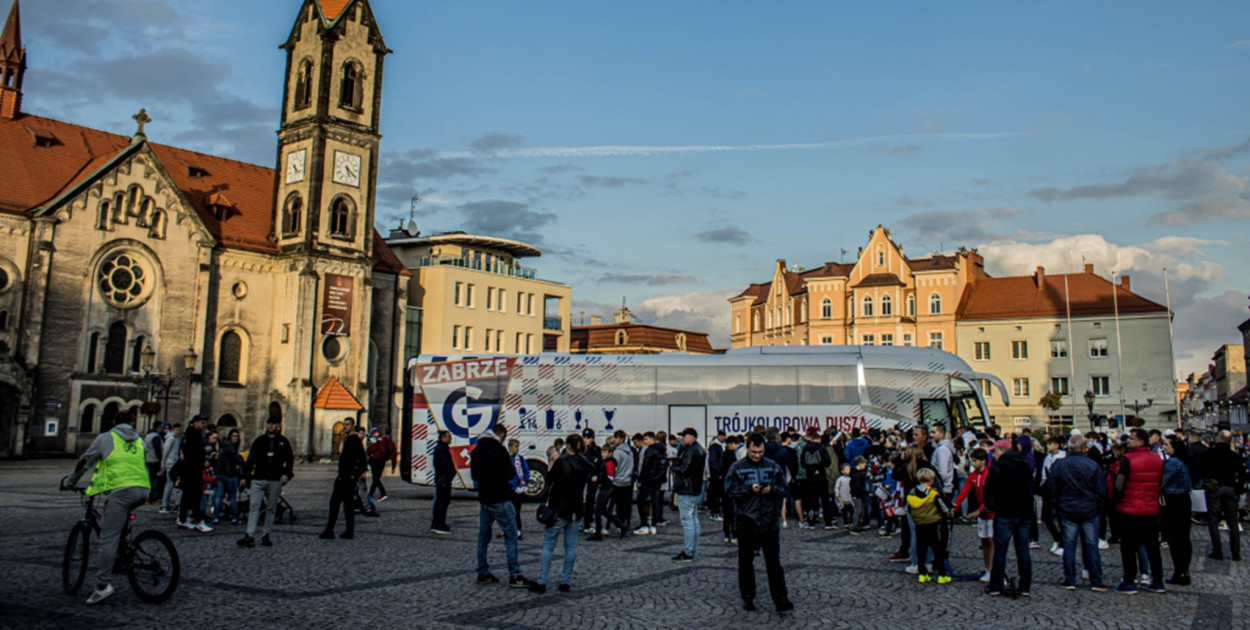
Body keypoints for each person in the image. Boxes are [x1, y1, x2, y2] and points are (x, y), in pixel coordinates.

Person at [61, 411, 150, 605]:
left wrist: (71, 481)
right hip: (143, 489)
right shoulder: (139, 441)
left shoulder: (105, 438)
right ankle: (124, 550)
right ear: (133, 423)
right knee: (120, 527)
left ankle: (102, 586)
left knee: (108, 536)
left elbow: (85, 461)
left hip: (122, 491)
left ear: (112, 422)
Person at [724, 433, 794, 615]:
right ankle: (748, 597)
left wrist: (771, 490)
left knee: (774, 563)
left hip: (769, 522)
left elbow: (784, 489)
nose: (757, 455)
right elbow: (729, 491)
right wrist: (749, 489)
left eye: (760, 452)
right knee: (746, 562)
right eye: (754, 452)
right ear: (747, 448)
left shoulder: (772, 466)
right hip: (746, 522)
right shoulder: (737, 467)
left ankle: (781, 599)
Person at [472, 424, 536, 588]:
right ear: (500, 435)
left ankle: (482, 572)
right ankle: (515, 574)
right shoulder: (499, 450)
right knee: (511, 534)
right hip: (500, 497)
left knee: (483, 536)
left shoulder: (477, 450)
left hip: (484, 498)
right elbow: (509, 473)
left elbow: (474, 475)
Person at [531, 434, 594, 593]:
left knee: (548, 545)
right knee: (571, 547)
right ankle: (565, 581)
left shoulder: (561, 462)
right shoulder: (584, 463)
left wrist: (552, 461)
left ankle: (542, 581)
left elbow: (548, 480)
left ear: (569, 446)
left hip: (559, 509)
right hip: (576, 510)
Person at [1049, 434, 1108, 592]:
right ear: (1084, 448)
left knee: (1069, 545)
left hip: (1067, 508)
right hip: (1089, 509)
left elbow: (1052, 488)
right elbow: (1102, 490)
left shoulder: (1059, 465)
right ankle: (1096, 580)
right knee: (1091, 545)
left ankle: (1070, 579)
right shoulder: (1092, 465)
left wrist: (1057, 504)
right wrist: (1099, 506)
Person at [1112, 427, 1165, 594]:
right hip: (1150, 508)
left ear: (1141, 441)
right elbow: (1160, 481)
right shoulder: (1157, 459)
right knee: (1152, 546)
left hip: (1130, 508)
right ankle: (1157, 580)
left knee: (1128, 546)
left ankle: (1129, 580)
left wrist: (1117, 497)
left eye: (1132, 438)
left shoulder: (1128, 459)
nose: (1129, 440)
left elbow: (1119, 484)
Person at [984, 439, 1033, 596]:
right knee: (1023, 549)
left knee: (1001, 550)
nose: (992, 455)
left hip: (1005, 512)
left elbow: (988, 489)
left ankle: (996, 585)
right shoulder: (1025, 465)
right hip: (1024, 513)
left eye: (994, 451)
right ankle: (1025, 586)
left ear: (1002, 451)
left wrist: (990, 506)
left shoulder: (997, 467)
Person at [238, 414, 294, 548]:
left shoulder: (283, 442)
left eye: (273, 424)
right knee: (254, 506)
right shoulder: (259, 441)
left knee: (271, 508)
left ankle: (266, 534)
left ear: (278, 426)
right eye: (269, 424)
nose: (271, 426)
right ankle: (249, 534)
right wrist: (245, 477)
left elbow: (289, 460)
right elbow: (250, 460)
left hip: (275, 479)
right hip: (258, 478)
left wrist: (286, 474)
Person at [1202, 430, 1245, 561]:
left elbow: (1203, 469)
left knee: (1214, 520)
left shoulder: (1210, 453)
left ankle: (1217, 551)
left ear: (1219, 438)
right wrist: (1238, 488)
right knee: (1233, 521)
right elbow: (1242, 474)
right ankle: (1236, 553)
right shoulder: (1235, 456)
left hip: (1215, 488)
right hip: (1231, 488)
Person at [952, 447, 994, 582]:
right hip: (982, 515)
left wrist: (979, 510)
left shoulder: (990, 475)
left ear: (983, 461)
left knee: (992, 542)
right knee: (984, 541)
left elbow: (991, 498)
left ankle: (994, 569)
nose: (974, 463)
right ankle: (988, 569)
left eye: (976, 461)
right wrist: (954, 506)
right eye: (972, 461)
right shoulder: (972, 476)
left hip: (992, 513)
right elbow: (964, 492)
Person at [320, 418, 365, 540]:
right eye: (344, 424)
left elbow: (362, 460)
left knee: (342, 504)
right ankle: (336, 530)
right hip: (343, 476)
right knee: (340, 504)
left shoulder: (354, 440)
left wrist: (354, 475)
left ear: (352, 426)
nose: (344, 427)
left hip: (347, 478)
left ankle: (339, 530)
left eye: (347, 425)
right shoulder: (348, 439)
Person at [908, 468, 951, 584]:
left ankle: (922, 573)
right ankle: (942, 574)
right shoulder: (933, 493)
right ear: (931, 479)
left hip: (919, 524)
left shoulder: (912, 492)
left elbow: (909, 509)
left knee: (921, 549)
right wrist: (948, 512)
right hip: (932, 524)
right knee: (937, 549)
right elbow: (943, 507)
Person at [1160, 436, 1193, 585]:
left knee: (1175, 537)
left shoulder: (1173, 462)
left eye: (1167, 445)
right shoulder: (1183, 460)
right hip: (1183, 499)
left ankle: (1180, 571)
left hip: (1174, 500)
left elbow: (1162, 480)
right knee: (1183, 537)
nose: (1164, 447)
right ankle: (1183, 570)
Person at [671, 427, 706, 563]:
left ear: (691, 437)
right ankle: (692, 550)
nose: (681, 439)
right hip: (695, 488)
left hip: (687, 488)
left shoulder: (691, 451)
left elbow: (684, 470)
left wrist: (672, 466)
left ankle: (688, 551)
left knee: (687, 521)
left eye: (684, 436)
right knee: (693, 519)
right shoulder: (698, 449)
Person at [177, 414, 212, 532]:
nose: (203, 425)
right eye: (202, 422)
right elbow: (192, 452)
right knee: (195, 495)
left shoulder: (192, 434)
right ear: (195, 423)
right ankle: (197, 521)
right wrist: (204, 450)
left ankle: (183, 519)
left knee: (188, 495)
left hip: (192, 469)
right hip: (192, 469)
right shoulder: (193, 435)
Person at [799, 427, 832, 530]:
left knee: (811, 500)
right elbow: (827, 462)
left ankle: (811, 522)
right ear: (819, 439)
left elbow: (803, 464)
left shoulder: (805, 448)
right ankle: (828, 523)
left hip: (810, 477)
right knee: (825, 500)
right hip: (821, 476)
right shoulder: (822, 448)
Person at [213, 429, 245, 526]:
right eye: (234, 436)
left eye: (237, 436)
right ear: (230, 436)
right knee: (232, 497)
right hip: (229, 475)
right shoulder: (231, 447)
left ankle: (216, 518)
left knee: (219, 496)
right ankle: (234, 518)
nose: (236, 438)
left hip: (221, 474)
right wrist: (245, 464)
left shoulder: (223, 446)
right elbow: (237, 459)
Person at [611, 429, 635, 538]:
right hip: (627, 480)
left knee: (618, 505)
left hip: (618, 481)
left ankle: (620, 525)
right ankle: (626, 522)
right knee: (625, 504)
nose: (614, 440)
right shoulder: (630, 451)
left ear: (620, 439)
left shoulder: (617, 452)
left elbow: (614, 467)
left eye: (615, 438)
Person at [430, 429, 455, 535]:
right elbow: (444, 465)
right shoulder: (442, 449)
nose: (451, 439)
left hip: (442, 478)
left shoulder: (440, 448)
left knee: (440, 501)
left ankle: (438, 523)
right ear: (443, 438)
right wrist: (450, 474)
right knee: (442, 502)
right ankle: (439, 524)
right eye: (449, 437)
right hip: (443, 479)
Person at [580, 428, 603, 534]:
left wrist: (595, 474)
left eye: (588, 438)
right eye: (584, 438)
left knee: (590, 500)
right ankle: (583, 521)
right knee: (581, 501)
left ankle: (588, 521)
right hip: (583, 477)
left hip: (592, 478)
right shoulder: (581, 449)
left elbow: (597, 464)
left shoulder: (596, 450)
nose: (586, 440)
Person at [507, 438, 530, 539]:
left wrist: (525, 481)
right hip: (509, 488)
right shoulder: (507, 459)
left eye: (518, 447)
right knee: (507, 510)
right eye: (516, 446)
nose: (517, 449)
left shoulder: (520, 459)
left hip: (517, 488)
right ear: (510, 447)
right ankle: (508, 529)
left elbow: (526, 471)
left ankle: (518, 529)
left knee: (516, 510)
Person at [366, 427, 396, 502]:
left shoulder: (380, 441)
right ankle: (379, 493)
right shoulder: (385, 441)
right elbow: (393, 453)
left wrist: (375, 443)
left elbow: (370, 450)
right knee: (376, 478)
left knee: (376, 478)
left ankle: (374, 494)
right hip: (380, 461)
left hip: (376, 461)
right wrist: (393, 465)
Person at [721, 436, 742, 544]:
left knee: (726, 513)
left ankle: (726, 534)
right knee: (733, 513)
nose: (737, 446)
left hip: (724, 488)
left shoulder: (724, 455)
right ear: (729, 444)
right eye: (735, 443)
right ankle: (733, 534)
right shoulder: (731, 457)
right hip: (731, 488)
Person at [159, 423, 181, 513]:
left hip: (174, 463)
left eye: (179, 430)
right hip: (170, 463)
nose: (178, 432)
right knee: (170, 483)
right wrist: (163, 464)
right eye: (176, 430)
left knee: (172, 483)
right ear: (173, 430)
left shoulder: (176, 439)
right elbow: (165, 452)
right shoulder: (171, 439)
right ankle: (164, 505)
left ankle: (168, 504)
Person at [706, 430, 727, 521]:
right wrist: (718, 472)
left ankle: (714, 511)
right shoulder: (715, 446)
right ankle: (715, 512)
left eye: (723, 435)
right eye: (721, 435)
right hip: (716, 474)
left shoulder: (718, 446)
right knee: (715, 494)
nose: (722, 437)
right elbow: (713, 461)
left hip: (716, 474)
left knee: (715, 493)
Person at [143, 420, 165, 503]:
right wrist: (160, 459)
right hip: (155, 460)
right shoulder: (156, 436)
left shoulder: (148, 436)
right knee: (155, 480)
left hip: (148, 459)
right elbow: (158, 450)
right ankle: (152, 497)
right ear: (158, 427)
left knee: (150, 479)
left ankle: (149, 497)